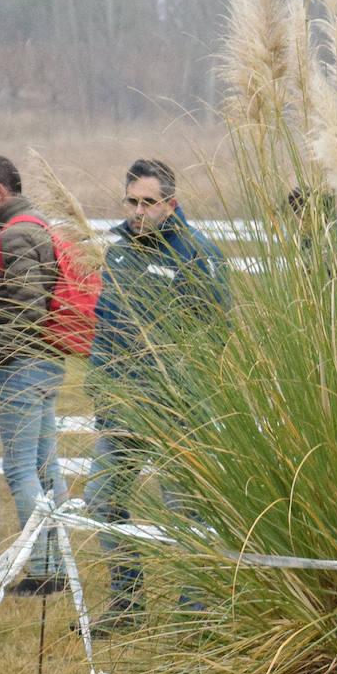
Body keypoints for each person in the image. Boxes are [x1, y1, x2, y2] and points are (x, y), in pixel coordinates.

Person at [83, 157, 231, 632]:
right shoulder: (119, 252)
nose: (138, 211)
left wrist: (181, 393)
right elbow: (106, 326)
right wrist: (101, 386)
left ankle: (195, 611)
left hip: (175, 408)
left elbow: (214, 336)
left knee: (184, 510)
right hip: (120, 404)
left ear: (171, 203)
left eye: (149, 202)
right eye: (132, 202)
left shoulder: (198, 254)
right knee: (102, 498)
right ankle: (127, 602)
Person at [0, 154, 66, 595]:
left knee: (24, 469)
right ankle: (58, 560)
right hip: (46, 362)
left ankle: (45, 568)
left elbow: (26, 302)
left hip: (21, 366)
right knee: (48, 467)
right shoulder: (37, 224)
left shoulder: (19, 232)